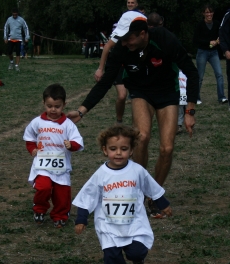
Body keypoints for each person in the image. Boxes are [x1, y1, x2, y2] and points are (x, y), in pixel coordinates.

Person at [67, 16, 199, 218]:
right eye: (122, 39)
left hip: (166, 94)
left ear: (143, 34)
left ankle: (154, 196)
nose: (125, 43)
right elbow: (105, 82)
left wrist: (189, 111)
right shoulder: (121, 49)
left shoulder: (164, 40)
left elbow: (191, 72)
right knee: (142, 136)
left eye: (129, 39)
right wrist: (82, 110)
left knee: (167, 147)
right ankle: (136, 190)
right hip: (141, 93)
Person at [73, 126, 172, 264]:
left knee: (136, 251)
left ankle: (137, 257)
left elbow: (151, 188)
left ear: (132, 150)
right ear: (105, 150)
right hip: (108, 225)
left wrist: (163, 204)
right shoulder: (101, 174)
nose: (118, 153)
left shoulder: (137, 171)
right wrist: (81, 218)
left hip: (134, 223)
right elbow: (88, 196)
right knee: (111, 257)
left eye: (124, 149)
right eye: (113, 149)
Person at [23, 84, 84, 227]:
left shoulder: (68, 124)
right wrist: (32, 149)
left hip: (61, 166)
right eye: (49, 106)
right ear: (44, 103)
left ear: (64, 105)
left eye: (57, 106)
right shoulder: (37, 122)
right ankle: (39, 209)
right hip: (42, 165)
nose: (53, 109)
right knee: (43, 188)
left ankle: (60, 215)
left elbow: (78, 141)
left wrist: (72, 145)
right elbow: (29, 137)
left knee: (62, 194)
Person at [94, 0, 142, 125]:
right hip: (119, 66)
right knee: (122, 96)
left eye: (133, 2)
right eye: (128, 2)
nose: (130, 4)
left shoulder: (141, 23)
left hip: (134, 66)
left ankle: (136, 124)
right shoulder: (122, 23)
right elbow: (107, 47)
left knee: (137, 96)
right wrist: (100, 68)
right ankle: (119, 121)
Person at [193, 5, 227, 105]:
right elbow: (195, 40)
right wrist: (209, 42)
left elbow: (221, 35)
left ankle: (222, 97)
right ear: (203, 14)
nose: (209, 14)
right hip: (202, 52)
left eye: (210, 12)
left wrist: (219, 40)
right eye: (207, 12)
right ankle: (196, 97)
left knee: (219, 74)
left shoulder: (216, 24)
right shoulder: (200, 25)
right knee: (200, 76)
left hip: (214, 53)